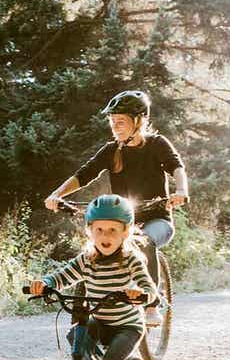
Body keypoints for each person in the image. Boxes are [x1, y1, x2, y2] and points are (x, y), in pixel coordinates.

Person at [44, 89, 188, 327]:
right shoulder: (111, 150)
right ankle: (86, 313)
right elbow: (84, 175)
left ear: (139, 121)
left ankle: (151, 304)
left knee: (144, 241)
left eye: (121, 121)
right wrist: (57, 195)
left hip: (157, 220)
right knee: (95, 248)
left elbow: (177, 167)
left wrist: (181, 191)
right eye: (112, 122)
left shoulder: (156, 144)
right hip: (122, 223)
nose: (115, 126)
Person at [26, 194, 156, 360]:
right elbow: (62, 276)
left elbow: (149, 288)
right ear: (89, 231)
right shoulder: (87, 260)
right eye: (99, 230)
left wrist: (141, 294)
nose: (105, 236)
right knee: (75, 336)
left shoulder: (131, 260)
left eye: (112, 230)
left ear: (125, 232)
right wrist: (45, 283)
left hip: (127, 325)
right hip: (101, 319)